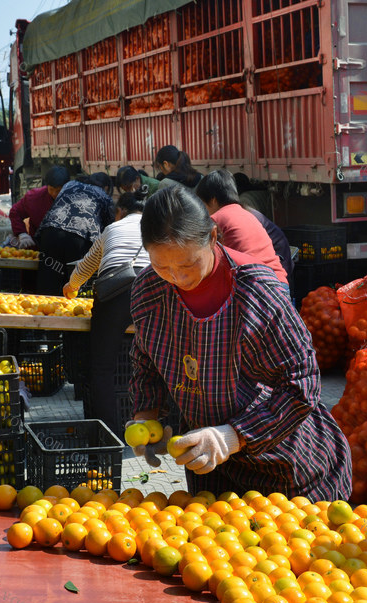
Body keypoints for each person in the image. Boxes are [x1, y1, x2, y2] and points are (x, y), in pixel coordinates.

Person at [127, 186, 352, 501]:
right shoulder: (148, 292)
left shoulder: (257, 292)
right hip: (213, 476)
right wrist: (146, 417)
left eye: (189, 264)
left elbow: (302, 385)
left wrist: (232, 436)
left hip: (287, 468)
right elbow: (146, 362)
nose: (177, 277)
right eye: (163, 267)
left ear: (213, 237)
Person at [62, 191, 151, 435]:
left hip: (115, 296)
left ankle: (109, 436)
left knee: (102, 368)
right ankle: (158, 424)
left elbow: (87, 265)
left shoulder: (113, 228)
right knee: (161, 360)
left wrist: (72, 286)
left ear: (121, 212)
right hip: (152, 292)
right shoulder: (157, 226)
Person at [195, 170, 290, 287]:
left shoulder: (216, 219)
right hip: (280, 283)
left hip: (256, 288)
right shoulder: (247, 213)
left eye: (203, 204)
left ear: (213, 200)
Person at [34, 171, 114, 295]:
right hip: (79, 239)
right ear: (107, 187)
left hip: (51, 232)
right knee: (75, 282)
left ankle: (43, 311)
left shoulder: (70, 185)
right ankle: (71, 311)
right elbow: (110, 227)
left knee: (49, 279)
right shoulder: (104, 195)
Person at [9, 166, 70, 249]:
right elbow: (15, 212)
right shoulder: (34, 197)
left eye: (59, 190)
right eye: (51, 189)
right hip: (39, 247)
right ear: (47, 185)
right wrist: (21, 233)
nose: (55, 193)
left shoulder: (77, 198)